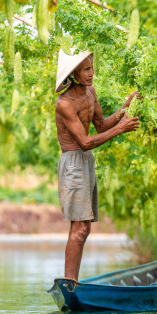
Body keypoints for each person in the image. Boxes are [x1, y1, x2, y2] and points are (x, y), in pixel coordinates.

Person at [54, 49, 140, 281]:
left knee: (86, 228)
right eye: (86, 69)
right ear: (73, 73)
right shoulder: (64, 103)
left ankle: (73, 282)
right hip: (73, 161)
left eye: (92, 67)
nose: (91, 73)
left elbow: (101, 125)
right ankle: (70, 284)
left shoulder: (90, 92)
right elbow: (83, 142)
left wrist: (126, 107)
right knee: (79, 227)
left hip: (86, 162)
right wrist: (120, 128)